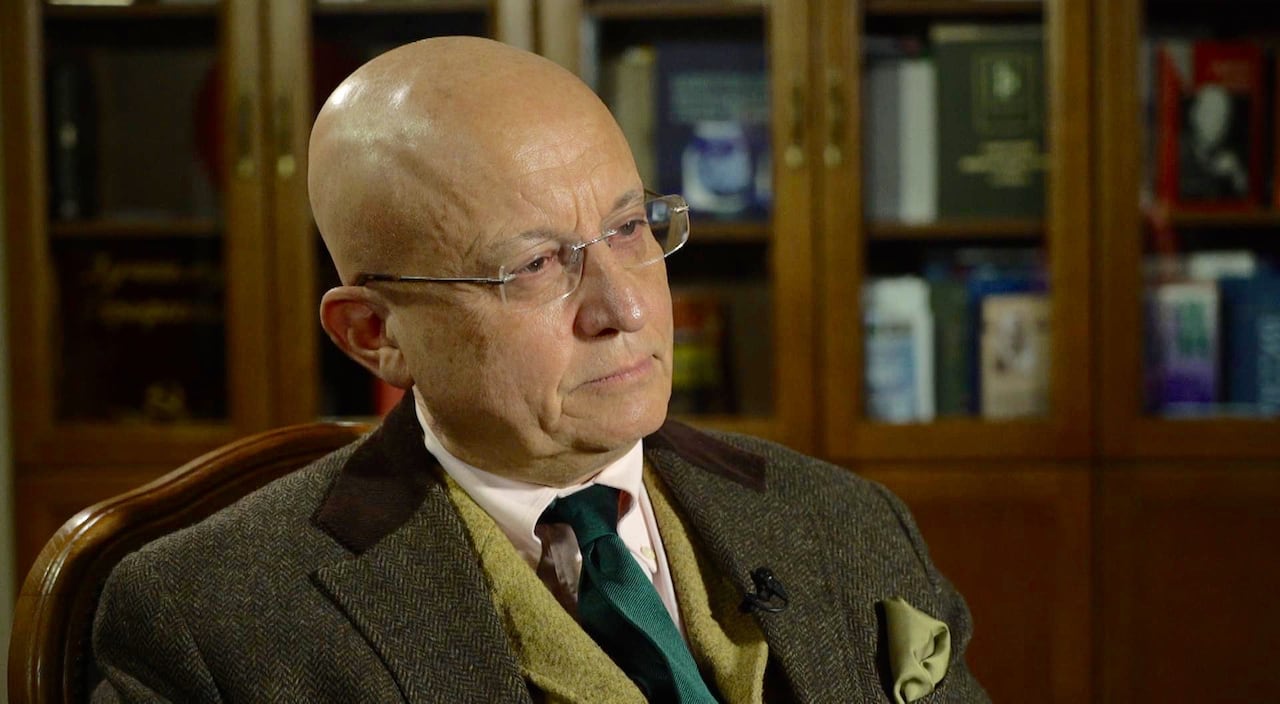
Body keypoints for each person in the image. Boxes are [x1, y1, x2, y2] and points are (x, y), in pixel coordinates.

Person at [91, 37, 988, 703]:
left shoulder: (843, 524)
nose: (624, 309)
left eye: (631, 230)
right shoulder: (212, 623)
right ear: (375, 334)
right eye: (534, 266)